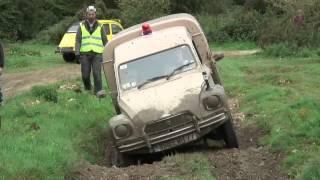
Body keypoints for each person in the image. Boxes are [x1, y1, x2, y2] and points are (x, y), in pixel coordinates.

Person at [75, 5, 107, 97]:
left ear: (95, 15)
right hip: (85, 54)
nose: (91, 16)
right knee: (85, 75)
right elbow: (78, 40)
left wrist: (108, 51)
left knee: (97, 74)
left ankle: (99, 92)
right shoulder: (81, 26)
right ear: (86, 15)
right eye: (89, 14)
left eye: (92, 14)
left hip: (97, 54)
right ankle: (88, 88)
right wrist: (77, 53)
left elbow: (105, 40)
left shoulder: (100, 26)